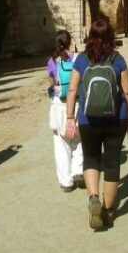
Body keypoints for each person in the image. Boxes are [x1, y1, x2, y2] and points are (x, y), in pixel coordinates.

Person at [65, 18, 128, 230]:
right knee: (112, 162)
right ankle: (106, 209)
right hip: (117, 118)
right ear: (111, 37)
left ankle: (94, 197)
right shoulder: (118, 59)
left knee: (91, 158)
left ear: (90, 37)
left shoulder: (81, 60)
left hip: (88, 119)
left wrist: (70, 117)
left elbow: (72, 90)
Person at [46, 30, 84, 192]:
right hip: (76, 103)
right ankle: (79, 173)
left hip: (59, 105)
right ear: (70, 42)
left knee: (61, 144)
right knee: (78, 140)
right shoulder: (78, 59)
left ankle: (66, 182)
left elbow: (51, 84)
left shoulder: (52, 62)